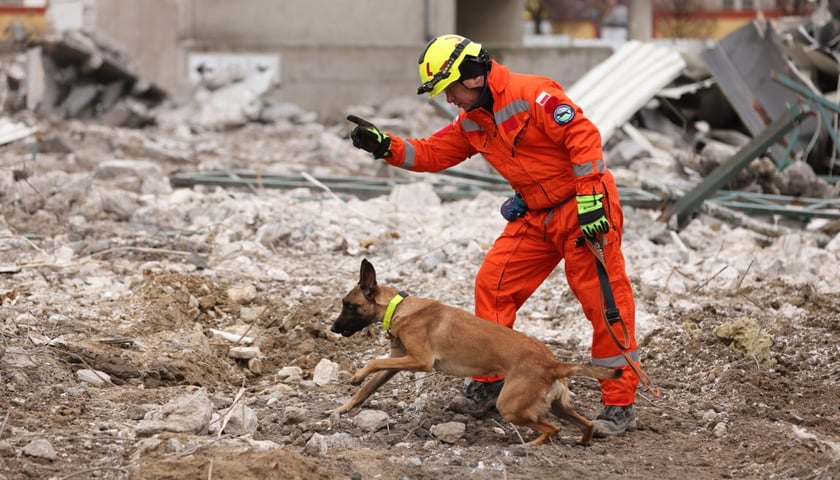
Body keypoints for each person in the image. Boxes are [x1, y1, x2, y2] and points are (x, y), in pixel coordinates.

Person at [346, 34, 640, 437]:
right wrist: (385, 147)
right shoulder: (471, 121)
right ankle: (491, 380)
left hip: (583, 208)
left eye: (449, 89)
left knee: (604, 302)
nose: (449, 99)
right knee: (494, 285)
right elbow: (431, 153)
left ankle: (619, 403)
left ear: (470, 76)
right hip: (536, 213)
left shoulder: (532, 93)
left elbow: (582, 136)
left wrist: (590, 194)